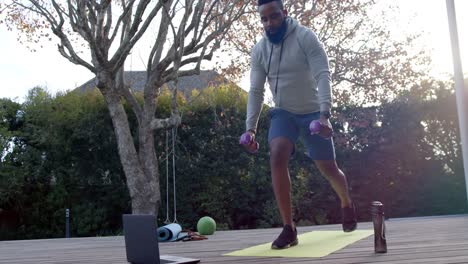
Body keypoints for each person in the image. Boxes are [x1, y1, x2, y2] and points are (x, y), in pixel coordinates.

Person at [241, 0, 357, 250]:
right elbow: (255, 89)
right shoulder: (260, 50)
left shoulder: (305, 37)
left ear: (284, 13)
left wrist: (324, 114)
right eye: (264, 19)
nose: (269, 23)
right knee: (277, 153)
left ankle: (346, 202)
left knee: (328, 168)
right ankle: (289, 228)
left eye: (274, 17)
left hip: (313, 111)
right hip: (283, 113)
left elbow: (322, 74)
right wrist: (250, 128)